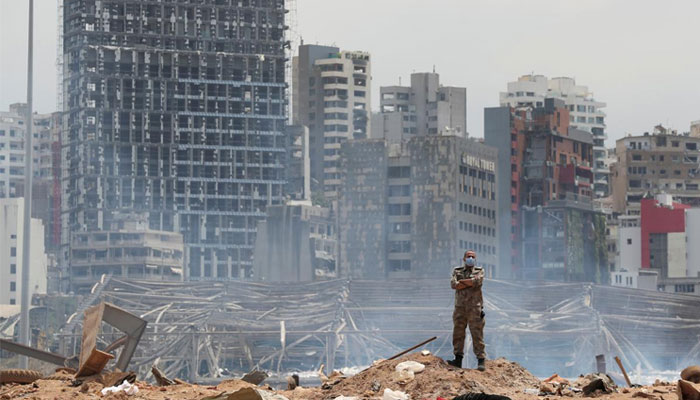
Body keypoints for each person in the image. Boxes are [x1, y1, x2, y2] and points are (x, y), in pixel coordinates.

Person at [448, 250, 486, 371]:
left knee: (477, 334)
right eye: (468, 256)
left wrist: (463, 282)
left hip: (475, 307)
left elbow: (477, 281)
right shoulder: (457, 271)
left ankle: (481, 360)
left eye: (473, 257)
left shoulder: (479, 271)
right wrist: (469, 283)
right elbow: (454, 285)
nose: (470, 258)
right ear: (464, 259)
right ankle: (458, 359)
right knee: (458, 333)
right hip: (460, 307)